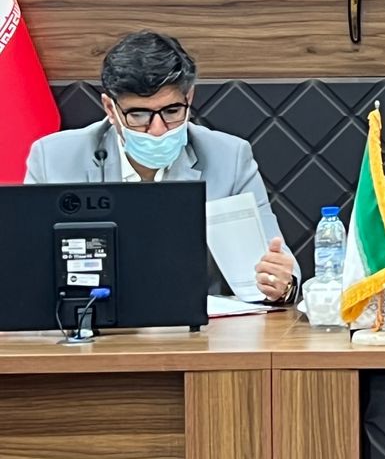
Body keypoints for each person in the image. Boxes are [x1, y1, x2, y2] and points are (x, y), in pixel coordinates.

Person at [24, 31, 299, 303]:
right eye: (139, 115)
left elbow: (277, 262)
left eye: (171, 111)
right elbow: (27, 266)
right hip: (91, 320)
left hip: (199, 324)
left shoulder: (229, 157)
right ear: (110, 108)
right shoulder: (53, 158)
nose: (158, 129)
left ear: (189, 98)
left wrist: (281, 284)